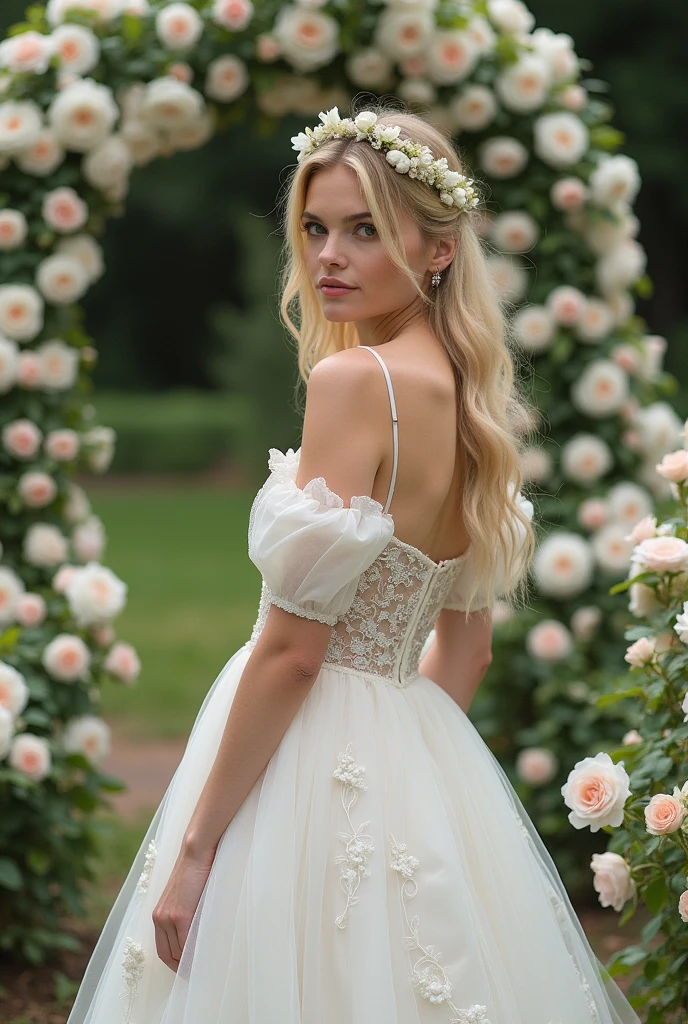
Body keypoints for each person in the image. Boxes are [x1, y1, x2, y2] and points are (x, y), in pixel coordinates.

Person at [66, 102, 641, 1024]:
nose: (328, 255)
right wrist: (399, 772)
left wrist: (197, 850)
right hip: (414, 746)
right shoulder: (471, 404)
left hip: (301, 739)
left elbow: (295, 652)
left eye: (365, 230)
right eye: (316, 227)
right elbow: (467, 653)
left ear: (438, 248)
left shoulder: (354, 383)